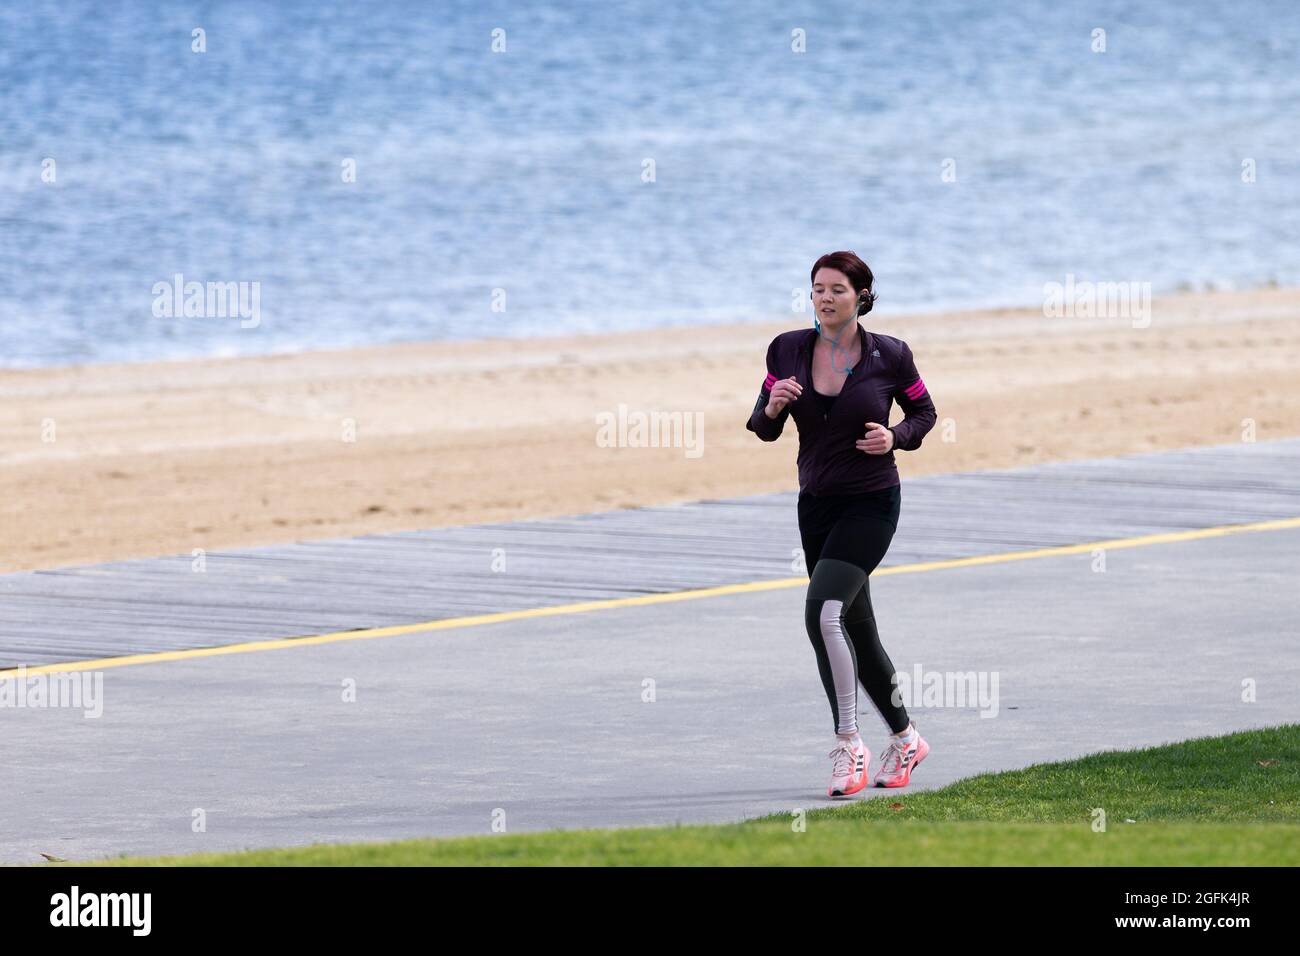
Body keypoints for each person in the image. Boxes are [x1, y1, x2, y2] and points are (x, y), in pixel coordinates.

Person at [746, 251, 937, 797]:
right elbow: (760, 427)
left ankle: (849, 743)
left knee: (823, 614)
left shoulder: (890, 356)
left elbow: (924, 415)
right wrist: (773, 408)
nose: (824, 298)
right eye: (817, 289)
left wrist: (895, 437)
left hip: (873, 502)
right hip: (816, 506)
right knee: (857, 627)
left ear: (861, 297)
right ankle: (906, 739)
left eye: (836, 289)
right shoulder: (786, 349)